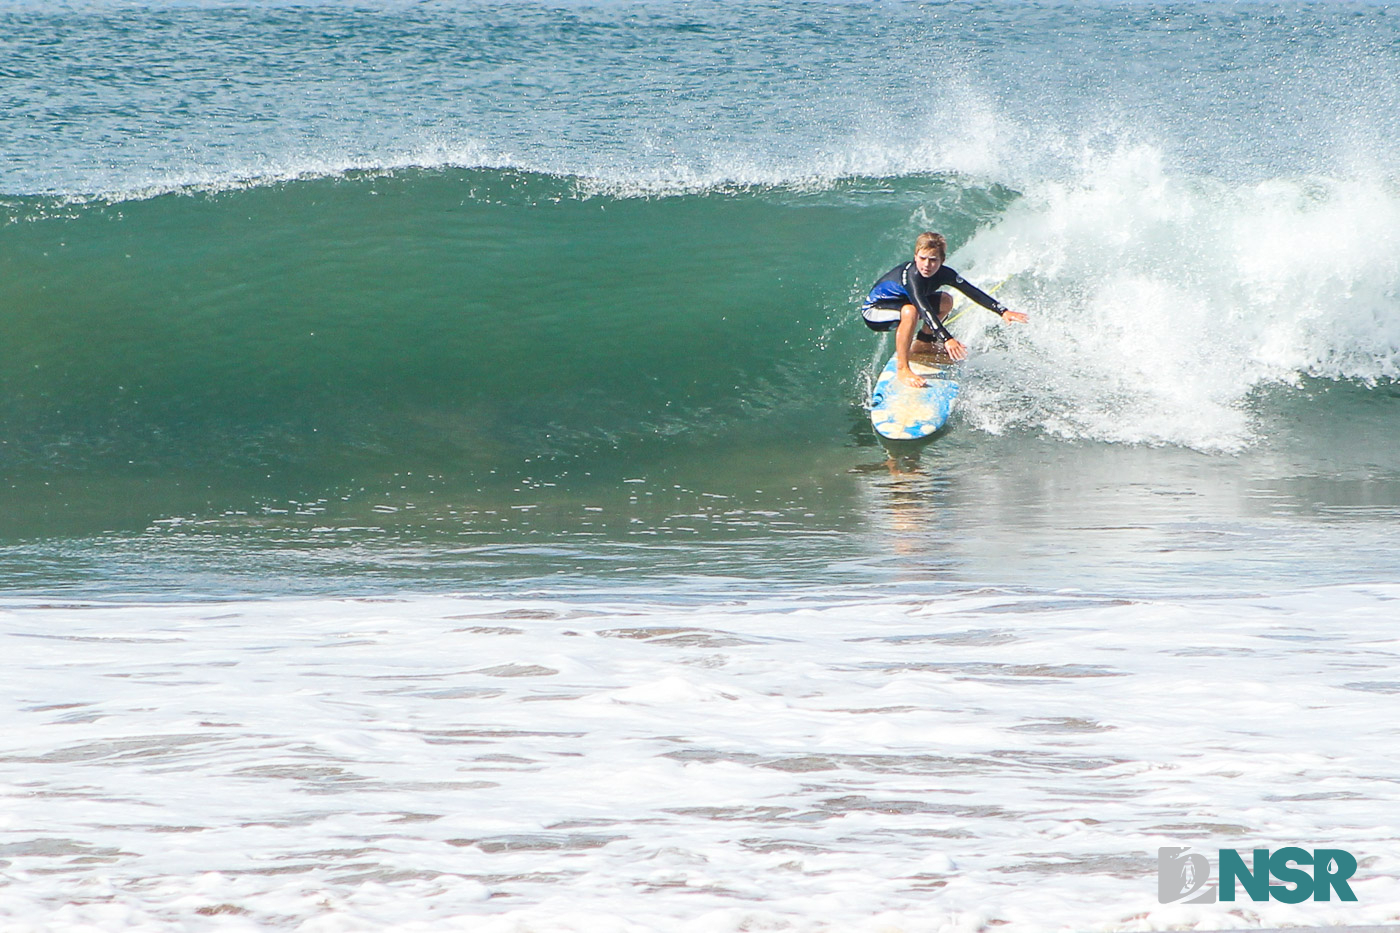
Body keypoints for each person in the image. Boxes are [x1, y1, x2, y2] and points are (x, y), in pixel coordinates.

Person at [861, 232, 1028, 387]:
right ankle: (903, 369)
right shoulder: (912, 276)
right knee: (911, 311)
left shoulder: (945, 273)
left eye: (933, 260)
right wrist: (947, 339)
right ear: (915, 257)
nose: (927, 265)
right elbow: (924, 309)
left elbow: (972, 292)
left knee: (946, 300)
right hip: (875, 311)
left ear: (942, 260)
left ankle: (922, 344)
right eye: (922, 258)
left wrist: (1003, 311)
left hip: (905, 305)